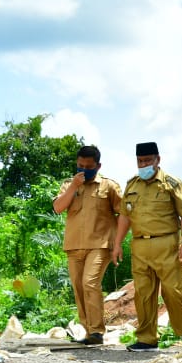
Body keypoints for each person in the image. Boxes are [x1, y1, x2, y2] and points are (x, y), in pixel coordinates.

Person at [112, 142, 182, 352]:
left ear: (158, 160)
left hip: (167, 244)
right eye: (140, 161)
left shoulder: (171, 183)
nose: (143, 164)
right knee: (143, 293)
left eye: (148, 160)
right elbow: (124, 216)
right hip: (139, 245)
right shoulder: (132, 185)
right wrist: (117, 243)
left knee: (172, 292)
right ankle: (147, 339)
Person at [53, 145, 122, 345]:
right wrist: (74, 187)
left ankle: (97, 331)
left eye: (89, 166)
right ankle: (89, 331)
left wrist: (117, 241)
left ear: (98, 166)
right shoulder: (69, 185)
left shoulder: (109, 186)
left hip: (100, 245)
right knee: (79, 287)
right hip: (74, 245)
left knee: (90, 283)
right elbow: (58, 207)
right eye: (80, 165)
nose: (84, 169)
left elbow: (125, 213)